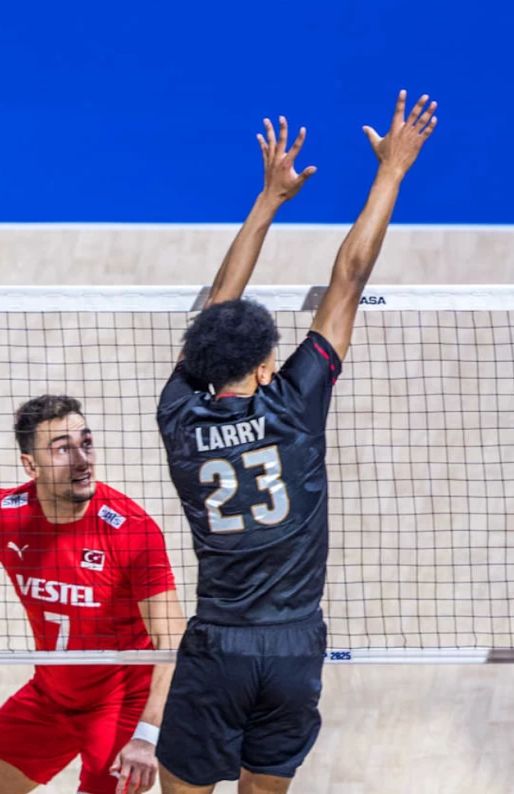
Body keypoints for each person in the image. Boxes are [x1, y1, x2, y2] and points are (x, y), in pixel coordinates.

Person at [155, 98, 436, 793]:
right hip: (293, 645)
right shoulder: (293, 405)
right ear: (263, 369)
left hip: (219, 641)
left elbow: (217, 307)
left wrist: (267, 200)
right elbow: (350, 280)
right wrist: (391, 172)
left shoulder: (179, 415)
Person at [0, 394, 184, 794]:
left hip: (122, 707)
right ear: (30, 465)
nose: (83, 460)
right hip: (50, 699)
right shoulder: (6, 513)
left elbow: (171, 639)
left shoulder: (130, 529)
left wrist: (147, 734)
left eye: (86, 443)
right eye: (62, 450)